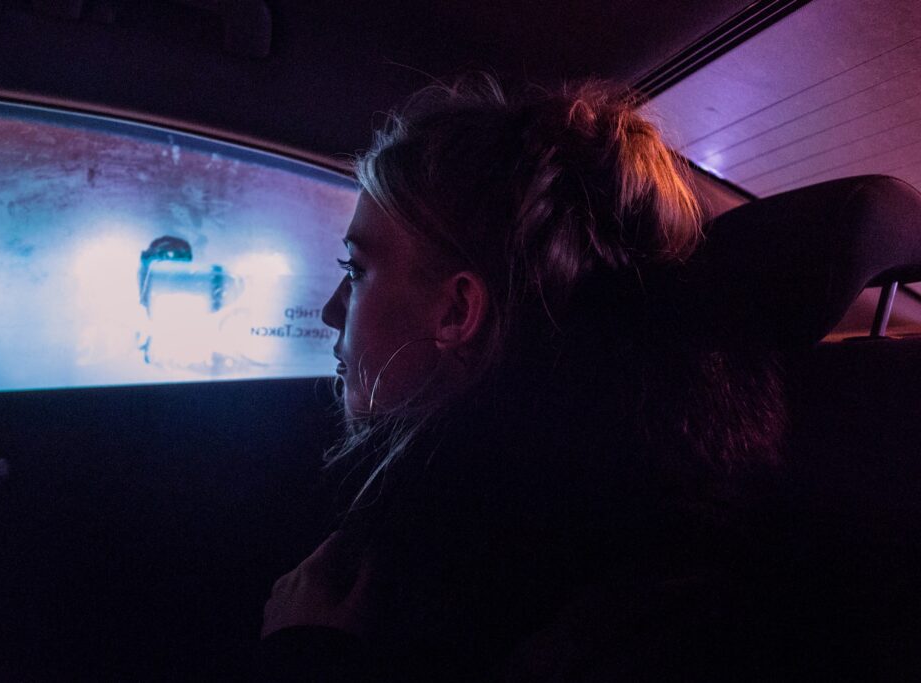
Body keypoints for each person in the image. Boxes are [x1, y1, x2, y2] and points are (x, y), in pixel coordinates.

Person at [254, 75, 788, 681]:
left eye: (356, 270)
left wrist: (308, 655)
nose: (332, 310)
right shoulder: (582, 526)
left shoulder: (508, 583)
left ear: (457, 311)